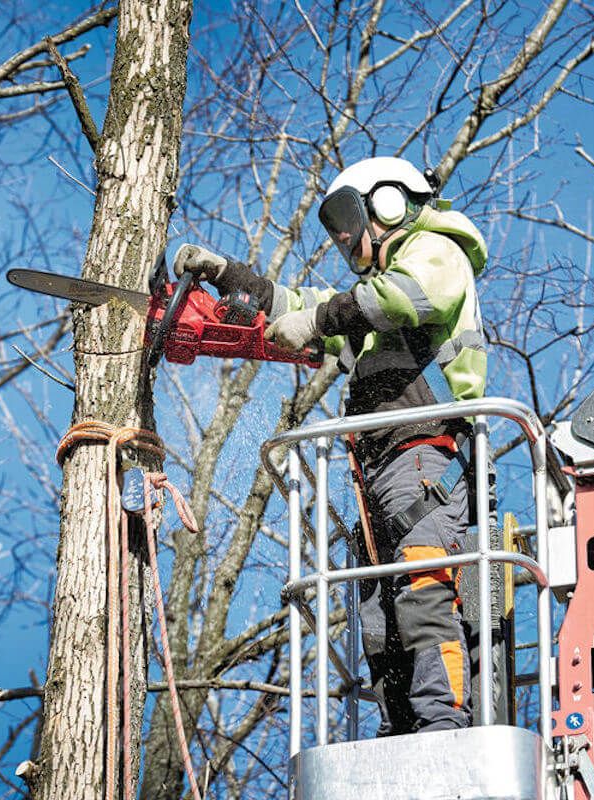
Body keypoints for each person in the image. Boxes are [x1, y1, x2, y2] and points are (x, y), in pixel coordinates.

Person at [173, 156, 488, 736]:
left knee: (424, 589)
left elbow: (396, 298)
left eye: (348, 218)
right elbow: (297, 308)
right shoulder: (369, 302)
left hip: (424, 454)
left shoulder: (436, 253)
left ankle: (442, 727)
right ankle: (400, 732)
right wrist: (227, 276)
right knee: (375, 617)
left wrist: (320, 319)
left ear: (388, 203)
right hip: (377, 471)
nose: (344, 236)